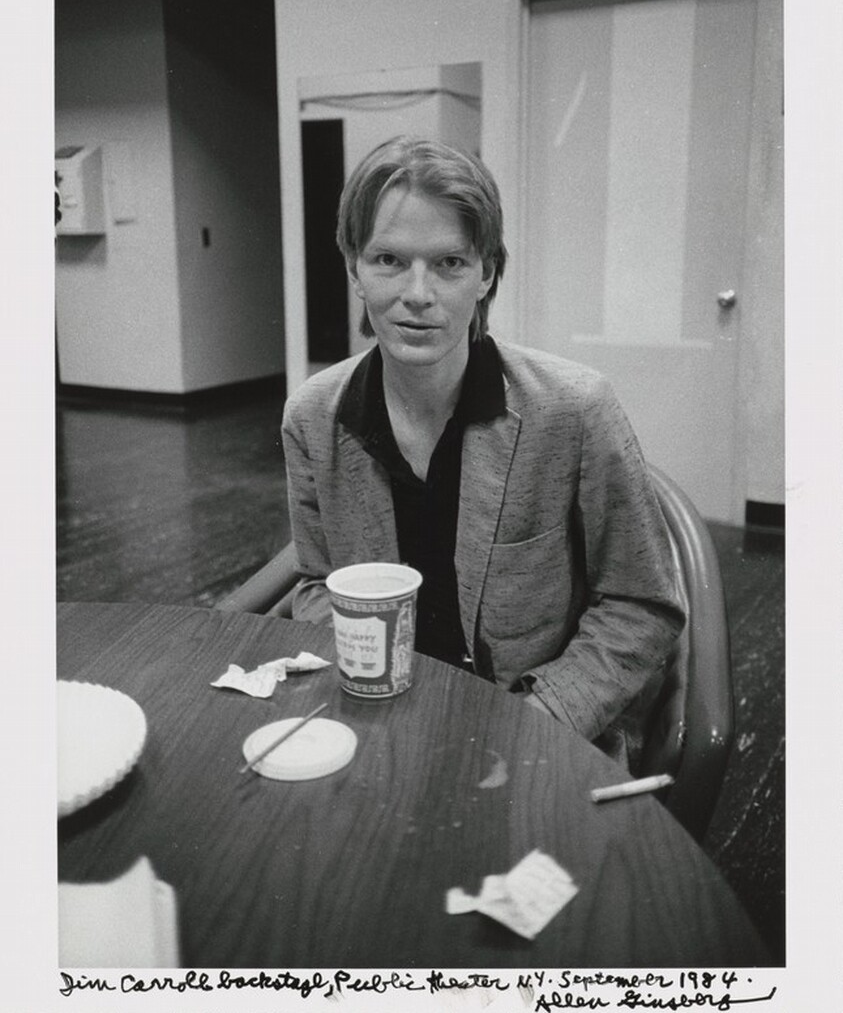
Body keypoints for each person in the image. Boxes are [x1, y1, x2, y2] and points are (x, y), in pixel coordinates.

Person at [282, 135, 685, 766]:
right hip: (381, 726)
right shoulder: (312, 416)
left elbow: (642, 604)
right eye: (389, 259)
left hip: (535, 737)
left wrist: (533, 720)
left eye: (449, 263)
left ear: (487, 273)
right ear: (353, 269)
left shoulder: (575, 409)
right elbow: (315, 584)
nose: (418, 293)